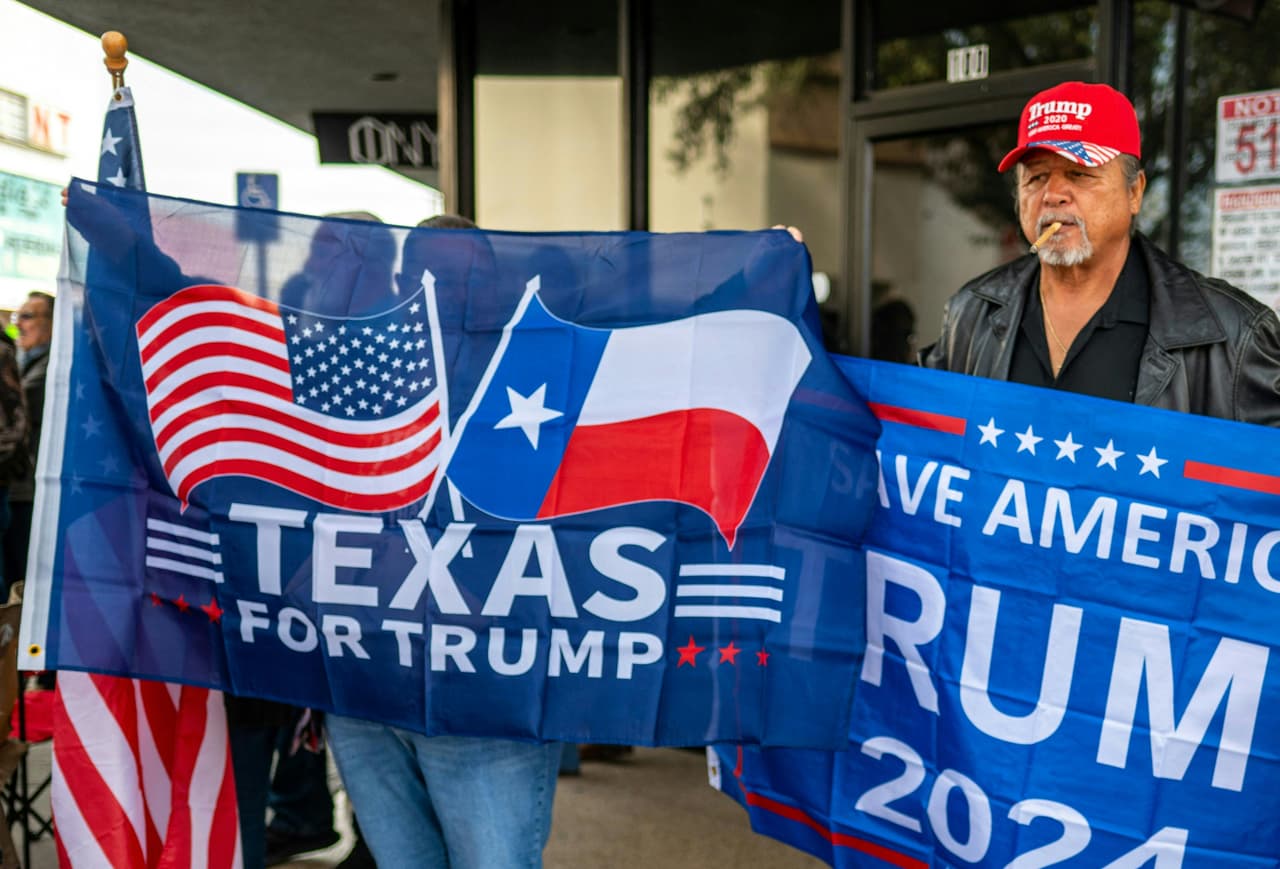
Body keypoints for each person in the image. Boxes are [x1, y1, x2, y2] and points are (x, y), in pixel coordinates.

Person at [325, 214, 562, 869]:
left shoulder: (535, 376)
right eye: (430, 272)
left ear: (494, 283)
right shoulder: (357, 374)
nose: (448, 288)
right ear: (403, 279)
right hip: (365, 686)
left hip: (487, 690)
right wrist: (119, 243)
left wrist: (758, 272)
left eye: (466, 275)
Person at [922, 80, 1280, 426]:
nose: (1053, 194)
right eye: (1036, 177)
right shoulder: (971, 313)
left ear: (1135, 192)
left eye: (1079, 174)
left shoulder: (1231, 336)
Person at [5, 291, 51, 592]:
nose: (18, 324)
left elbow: (25, 405)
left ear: (51, 323)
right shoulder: (25, 363)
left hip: (29, 490)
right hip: (20, 486)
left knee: (17, 575)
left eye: (27, 316)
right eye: (16, 316)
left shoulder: (50, 368)